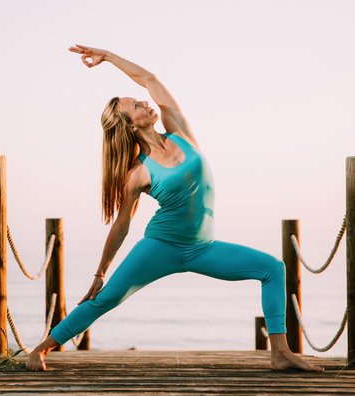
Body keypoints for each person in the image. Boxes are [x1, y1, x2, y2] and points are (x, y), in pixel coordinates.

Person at [26, 45, 322, 372]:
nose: (144, 102)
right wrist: (100, 272)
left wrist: (108, 57)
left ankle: (280, 353)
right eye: (136, 105)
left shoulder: (180, 131)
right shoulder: (138, 172)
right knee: (106, 298)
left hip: (203, 248)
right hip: (161, 247)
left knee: (272, 268)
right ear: (128, 125)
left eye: (140, 100)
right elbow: (122, 225)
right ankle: (41, 349)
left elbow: (150, 79)